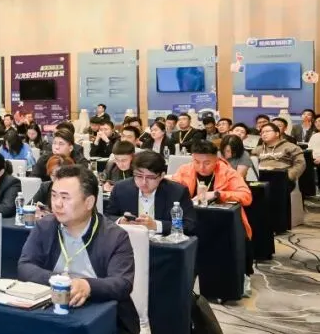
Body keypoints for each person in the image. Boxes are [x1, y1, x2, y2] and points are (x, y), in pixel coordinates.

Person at [18, 164, 147, 334]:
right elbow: (25, 266)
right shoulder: (45, 226)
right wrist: (61, 282)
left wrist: (87, 286)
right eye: (54, 196)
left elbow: (122, 283)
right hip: (50, 314)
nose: (57, 204)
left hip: (108, 320)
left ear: (89, 202)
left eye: (65, 197)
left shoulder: (115, 236)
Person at [171, 141, 253, 295]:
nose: (201, 167)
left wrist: (217, 194)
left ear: (216, 159)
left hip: (221, 224)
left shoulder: (228, 172)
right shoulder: (185, 170)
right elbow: (172, 190)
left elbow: (246, 196)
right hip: (192, 220)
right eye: (197, 161)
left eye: (207, 163)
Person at [104, 151, 196, 236]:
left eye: (150, 177)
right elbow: (107, 217)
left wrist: (156, 225)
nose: (144, 182)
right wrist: (120, 221)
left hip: (163, 245)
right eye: (139, 176)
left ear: (161, 176)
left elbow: (189, 225)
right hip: (129, 243)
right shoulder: (120, 188)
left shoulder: (177, 192)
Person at [252, 122, 306, 187]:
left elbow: (300, 163)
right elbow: (251, 165)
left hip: (282, 178)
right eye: (262, 132)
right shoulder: (257, 149)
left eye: (267, 131)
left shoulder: (290, 147)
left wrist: (289, 176)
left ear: (277, 133)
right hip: (260, 178)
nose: (264, 134)